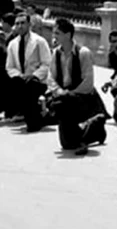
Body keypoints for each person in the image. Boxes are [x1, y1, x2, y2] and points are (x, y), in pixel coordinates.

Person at [46, 18, 108, 155]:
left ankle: (81, 139)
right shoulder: (55, 53)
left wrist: (71, 93)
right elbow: (51, 77)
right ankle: (95, 128)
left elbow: (88, 82)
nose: (54, 36)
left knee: (61, 105)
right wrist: (60, 91)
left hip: (82, 97)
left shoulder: (83, 53)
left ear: (68, 35)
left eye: (57, 33)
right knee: (66, 144)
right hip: (62, 97)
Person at [4, 12, 52, 132]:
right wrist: (20, 76)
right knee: (15, 85)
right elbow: (10, 67)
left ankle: (34, 121)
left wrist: (33, 75)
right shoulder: (12, 44)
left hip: (38, 80)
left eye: (23, 23)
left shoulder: (39, 41)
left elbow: (47, 63)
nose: (20, 26)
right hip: (21, 79)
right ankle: (30, 117)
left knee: (28, 88)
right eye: (17, 23)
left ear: (29, 24)